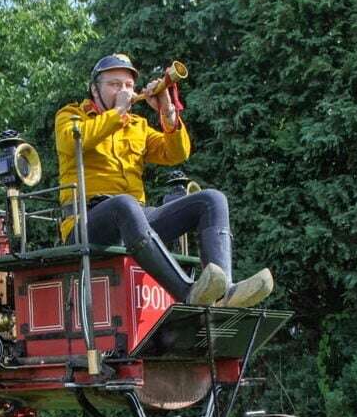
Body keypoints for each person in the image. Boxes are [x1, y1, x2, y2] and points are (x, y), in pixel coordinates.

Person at [55, 53, 273, 307]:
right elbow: (73, 141)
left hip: (134, 221)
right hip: (85, 223)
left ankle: (225, 291)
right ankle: (187, 292)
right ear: (94, 89)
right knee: (124, 205)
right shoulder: (71, 115)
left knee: (212, 200)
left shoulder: (137, 125)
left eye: (128, 85)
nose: (123, 90)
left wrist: (167, 111)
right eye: (114, 84)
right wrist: (116, 112)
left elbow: (177, 153)